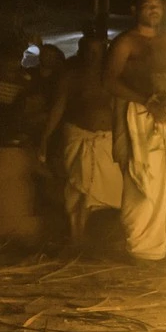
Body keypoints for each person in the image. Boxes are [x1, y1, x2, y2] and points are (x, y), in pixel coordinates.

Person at [104, 0, 166, 263]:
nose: (153, 9)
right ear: (135, 9)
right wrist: (146, 100)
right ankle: (139, 247)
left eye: (157, 5)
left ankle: (159, 239)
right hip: (137, 114)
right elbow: (109, 81)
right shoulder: (126, 42)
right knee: (141, 179)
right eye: (147, 5)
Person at [40, 32, 121, 245]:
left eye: (97, 52)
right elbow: (58, 108)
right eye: (89, 52)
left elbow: (119, 110)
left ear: (104, 53)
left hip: (105, 141)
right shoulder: (71, 77)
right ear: (81, 51)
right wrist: (45, 138)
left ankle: (94, 236)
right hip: (78, 137)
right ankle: (76, 236)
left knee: (105, 191)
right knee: (79, 188)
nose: (93, 57)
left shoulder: (112, 78)